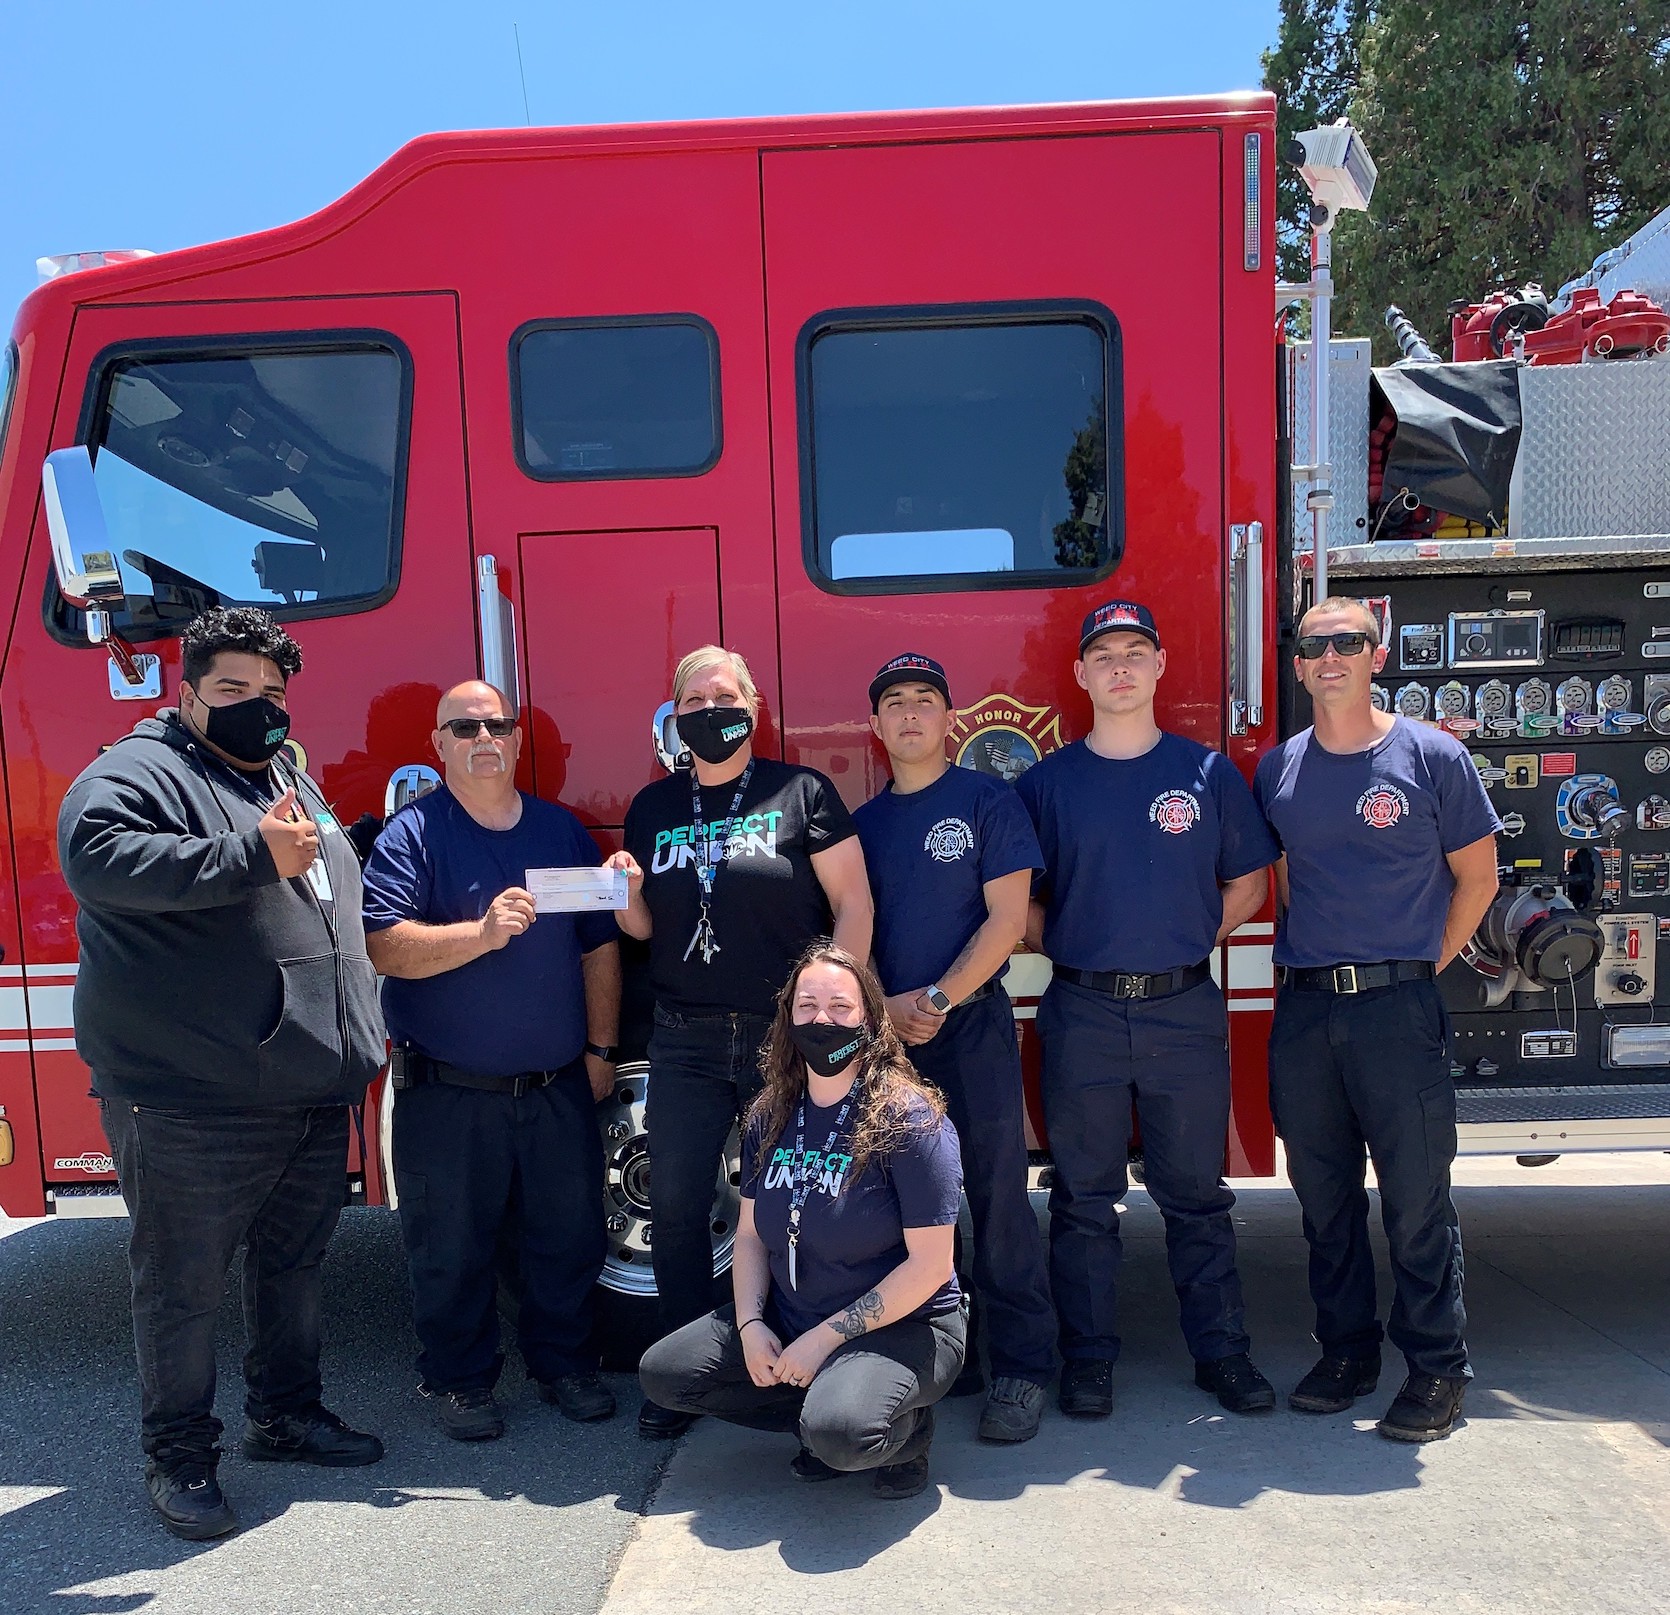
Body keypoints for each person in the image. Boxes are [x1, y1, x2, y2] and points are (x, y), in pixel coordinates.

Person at [57, 607, 385, 1542]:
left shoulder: (280, 768)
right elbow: (97, 855)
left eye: (272, 692)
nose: (256, 707)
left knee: (293, 1268)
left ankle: (285, 1414)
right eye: (234, 690)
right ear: (189, 690)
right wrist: (250, 854)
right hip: (191, 1097)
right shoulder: (137, 769)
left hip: (307, 1086)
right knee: (182, 1286)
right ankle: (180, 1457)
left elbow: (309, 873)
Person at [1015, 600, 1279, 1420]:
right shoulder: (1046, 783)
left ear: (1161, 666)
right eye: (1105, 655)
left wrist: (1195, 928)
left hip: (1184, 1007)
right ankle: (1088, 1360)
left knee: (1196, 1195)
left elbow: (1250, 881)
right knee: (1084, 1200)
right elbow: (1012, 898)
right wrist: (1066, 940)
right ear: (1081, 674)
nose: (1121, 667)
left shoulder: (1206, 775)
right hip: (1082, 1011)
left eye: (1136, 651)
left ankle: (1222, 1352)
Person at [608, 646, 873, 1437]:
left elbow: (854, 901)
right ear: (675, 715)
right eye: (694, 699)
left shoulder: (803, 793)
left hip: (780, 1036)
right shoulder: (652, 807)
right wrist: (623, 896)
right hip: (683, 1037)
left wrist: (839, 1005)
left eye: (724, 696)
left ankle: (804, 1362)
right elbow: (645, 929)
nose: (710, 709)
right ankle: (687, 1376)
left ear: (753, 707)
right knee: (682, 1205)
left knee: (794, 1202)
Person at [1254, 596, 1500, 1442]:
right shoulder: (1277, 768)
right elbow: (1282, 879)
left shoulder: (1433, 756)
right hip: (1308, 1009)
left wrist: (1421, 965)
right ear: (1296, 664)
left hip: (1399, 1009)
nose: (1330, 656)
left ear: (1376, 654)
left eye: (1347, 642)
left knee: (1416, 1200)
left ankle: (1436, 1368)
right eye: (1314, 644)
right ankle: (1348, 1351)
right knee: (1323, 1198)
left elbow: (1479, 878)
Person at [361, 680, 622, 1440]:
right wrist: (480, 933)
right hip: (449, 1090)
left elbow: (599, 947)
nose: (484, 736)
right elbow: (384, 946)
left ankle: (565, 1366)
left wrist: (600, 1049)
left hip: (554, 1085)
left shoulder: (561, 831)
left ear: (515, 740)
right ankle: (459, 1381)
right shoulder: (413, 835)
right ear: (438, 746)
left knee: (566, 1237)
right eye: (464, 726)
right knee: (451, 1247)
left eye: (497, 724)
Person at [639, 941, 966, 1499]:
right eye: (807, 1006)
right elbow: (748, 1236)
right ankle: (821, 1411)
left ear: (871, 1019)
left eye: (841, 1007)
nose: (822, 1019)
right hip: (795, 1317)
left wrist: (822, 1341)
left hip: (904, 1328)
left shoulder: (911, 1119)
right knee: (665, 1374)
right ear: (788, 1020)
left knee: (842, 1435)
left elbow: (932, 1266)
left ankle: (902, 1433)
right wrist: (751, 1327)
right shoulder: (771, 1112)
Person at [853, 652, 1056, 1443]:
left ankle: (1023, 1365)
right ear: (875, 726)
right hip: (889, 1043)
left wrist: (937, 998)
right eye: (893, 702)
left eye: (924, 701)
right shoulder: (861, 826)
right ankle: (946, 1352)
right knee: (909, 1209)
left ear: (949, 719)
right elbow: (851, 927)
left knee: (998, 1196)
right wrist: (885, 1009)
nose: (908, 714)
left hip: (968, 1029)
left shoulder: (987, 800)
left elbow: (1007, 920)